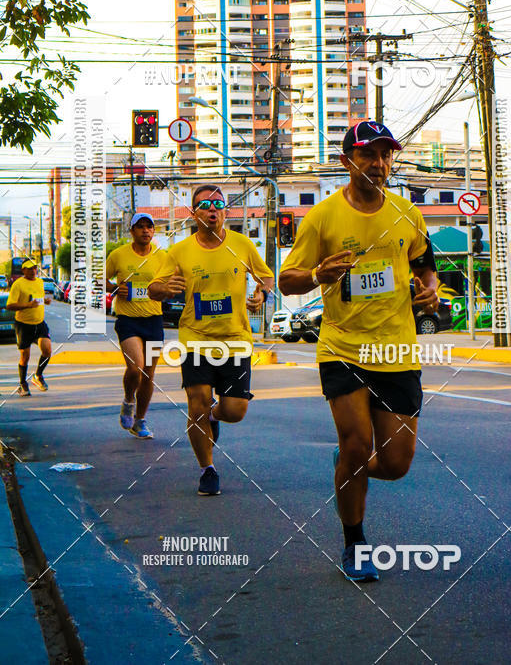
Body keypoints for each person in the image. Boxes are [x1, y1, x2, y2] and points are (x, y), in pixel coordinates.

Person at [279, 121, 439, 583]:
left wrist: (430, 290)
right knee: (357, 442)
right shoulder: (322, 218)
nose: (379, 163)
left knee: (395, 464)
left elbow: (425, 266)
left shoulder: (407, 212)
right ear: (348, 160)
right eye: (369, 154)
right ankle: (355, 543)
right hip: (343, 348)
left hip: (396, 351)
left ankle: (348, 465)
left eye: (387, 155)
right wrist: (317, 275)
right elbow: (288, 278)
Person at [149, 184, 274, 496]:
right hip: (195, 339)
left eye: (218, 204)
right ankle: (208, 469)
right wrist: (164, 289)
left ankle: (215, 415)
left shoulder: (242, 244)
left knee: (235, 411)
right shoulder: (178, 251)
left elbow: (266, 276)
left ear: (225, 211)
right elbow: (154, 287)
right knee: (197, 404)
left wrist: (261, 292)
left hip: (235, 340)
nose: (212, 209)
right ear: (194, 214)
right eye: (204, 204)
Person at [106, 213, 168, 439]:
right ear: (131, 231)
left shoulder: (162, 257)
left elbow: (171, 281)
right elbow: (101, 278)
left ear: (153, 231)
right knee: (136, 367)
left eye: (149, 227)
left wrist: (165, 289)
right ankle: (128, 400)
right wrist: (114, 288)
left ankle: (140, 421)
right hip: (128, 320)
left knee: (149, 375)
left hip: (153, 320)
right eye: (139, 227)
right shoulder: (118, 255)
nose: (145, 231)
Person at [7, 260, 53, 396]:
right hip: (23, 324)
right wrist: (28, 305)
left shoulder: (39, 282)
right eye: (29, 269)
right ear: (23, 271)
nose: (33, 271)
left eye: (35, 268)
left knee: (47, 350)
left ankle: (38, 376)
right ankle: (22, 384)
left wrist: (44, 301)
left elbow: (37, 299)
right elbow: (10, 305)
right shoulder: (18, 284)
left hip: (39, 323)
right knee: (25, 356)